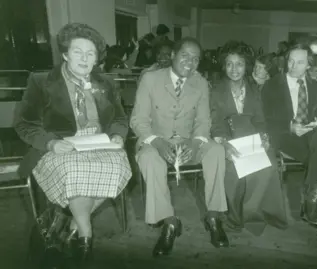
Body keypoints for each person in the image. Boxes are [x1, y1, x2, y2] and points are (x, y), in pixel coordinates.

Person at [14, 23, 132, 264]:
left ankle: (71, 221)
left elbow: (120, 118)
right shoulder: (41, 81)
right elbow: (24, 123)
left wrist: (118, 135)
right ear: (65, 54)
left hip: (99, 144)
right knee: (75, 170)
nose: (84, 58)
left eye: (91, 54)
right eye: (78, 52)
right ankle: (86, 232)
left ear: (97, 59)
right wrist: (50, 143)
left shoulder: (106, 83)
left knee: (120, 166)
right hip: (59, 146)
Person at [130, 37, 229, 256]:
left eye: (196, 59)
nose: (190, 62)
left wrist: (195, 143)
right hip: (155, 140)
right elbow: (138, 120)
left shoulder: (201, 83)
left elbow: (204, 122)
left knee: (216, 151)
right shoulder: (150, 79)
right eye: (185, 55)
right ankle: (170, 222)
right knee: (149, 159)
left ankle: (213, 216)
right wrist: (156, 141)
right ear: (173, 55)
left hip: (188, 142)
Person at [262, 43, 317, 256]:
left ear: (308, 64)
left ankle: (313, 200)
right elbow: (265, 119)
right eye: (290, 61)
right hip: (285, 137)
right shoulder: (272, 85)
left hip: (311, 135)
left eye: (300, 62)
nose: (293, 66)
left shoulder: (315, 86)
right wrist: (289, 126)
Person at [210, 41, 288, 234]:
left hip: (251, 137)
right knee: (232, 169)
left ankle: (254, 212)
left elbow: (261, 120)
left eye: (240, 64)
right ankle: (234, 215)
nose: (234, 69)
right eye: (229, 64)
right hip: (226, 138)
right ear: (223, 66)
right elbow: (215, 122)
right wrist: (224, 143)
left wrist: (263, 136)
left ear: (247, 67)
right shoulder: (215, 91)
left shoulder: (254, 89)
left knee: (267, 165)